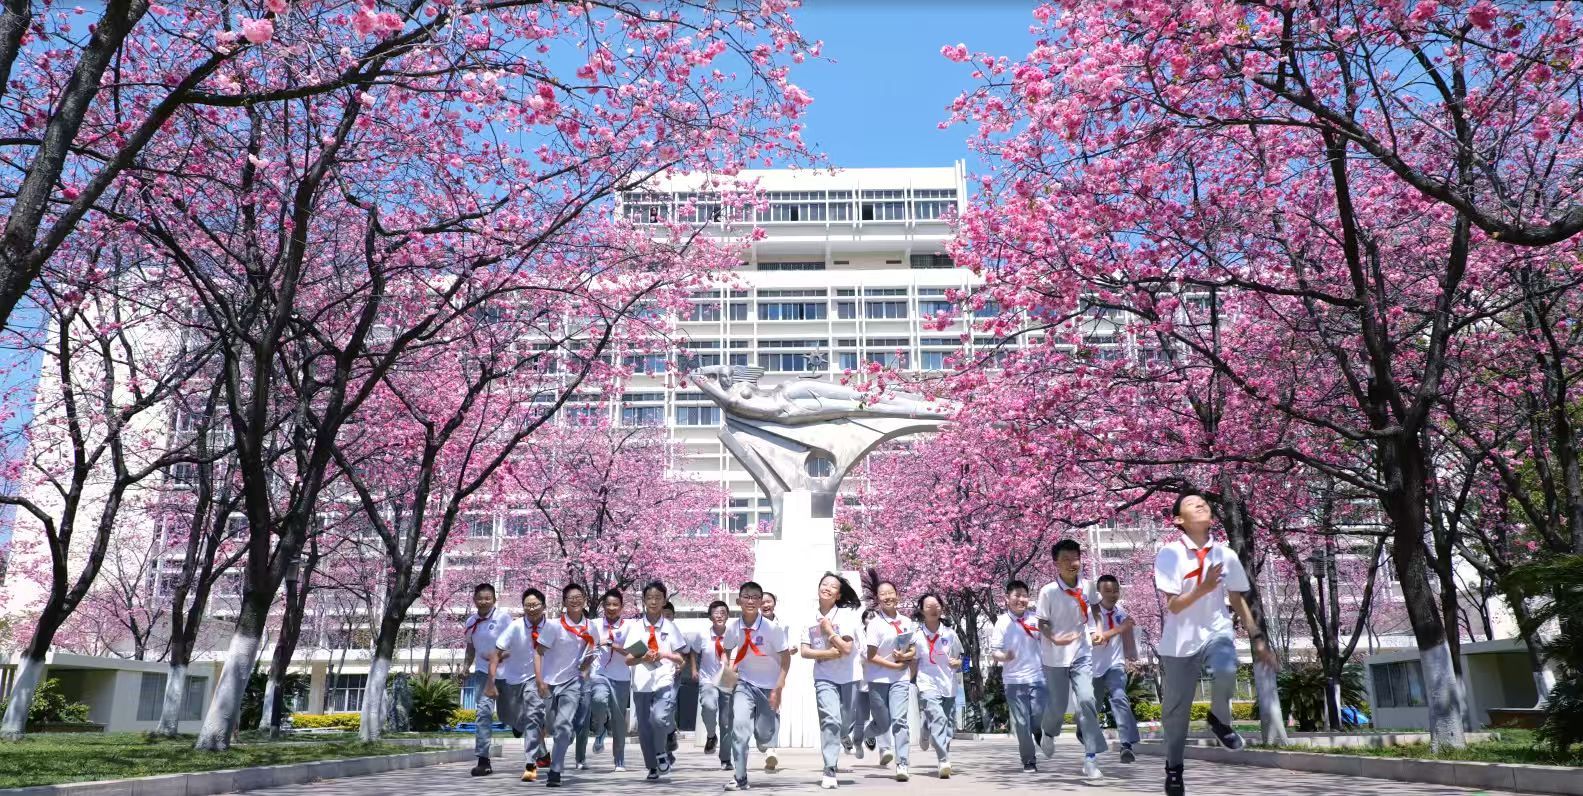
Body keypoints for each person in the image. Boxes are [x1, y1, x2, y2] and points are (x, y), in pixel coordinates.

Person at [1157, 493, 1279, 796]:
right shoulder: (1169, 554)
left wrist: (1258, 639)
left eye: (1204, 503)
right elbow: (1173, 606)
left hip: (1216, 630)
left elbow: (1237, 598)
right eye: (1192, 504)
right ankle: (1174, 768)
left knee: (1226, 667)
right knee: (1176, 715)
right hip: (1179, 643)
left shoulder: (1225, 554)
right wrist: (1205, 588)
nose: (1202, 505)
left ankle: (1219, 720)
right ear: (1178, 520)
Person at [1036, 538, 1108, 780]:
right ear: (1056, 563)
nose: (1071, 563)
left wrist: (1097, 629)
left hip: (1081, 653)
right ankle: (1048, 732)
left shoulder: (1088, 586)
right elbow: (1042, 622)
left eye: (1074, 558)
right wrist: (1054, 638)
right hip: (1054, 657)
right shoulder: (1048, 591)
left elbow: (1096, 609)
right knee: (1057, 706)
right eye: (1064, 559)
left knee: (1087, 700)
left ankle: (1090, 759)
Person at [720, 581, 793, 792]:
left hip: (769, 687)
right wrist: (727, 668)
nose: (750, 601)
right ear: (738, 600)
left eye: (755, 597)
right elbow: (726, 650)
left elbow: (786, 659)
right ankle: (740, 777)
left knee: (764, 735)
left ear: (761, 602)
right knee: (740, 729)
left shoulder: (772, 629)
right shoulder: (733, 627)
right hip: (744, 684)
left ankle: (766, 742)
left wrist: (779, 686)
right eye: (746, 596)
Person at [799, 571, 862, 790]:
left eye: (832, 586)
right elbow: (805, 652)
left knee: (844, 722)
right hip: (824, 677)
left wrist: (828, 631)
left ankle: (846, 735)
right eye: (823, 584)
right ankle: (830, 768)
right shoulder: (808, 618)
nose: (826, 587)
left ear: (838, 595)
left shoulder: (847, 616)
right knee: (830, 721)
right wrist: (828, 654)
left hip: (849, 676)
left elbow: (845, 649)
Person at [621, 581, 688, 782]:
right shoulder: (635, 628)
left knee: (659, 718)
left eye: (658, 598)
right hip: (641, 684)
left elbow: (680, 658)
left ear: (664, 600)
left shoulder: (670, 627)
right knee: (644, 727)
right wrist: (643, 658)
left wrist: (663, 655)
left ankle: (661, 752)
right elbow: (628, 659)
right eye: (649, 598)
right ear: (643, 601)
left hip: (664, 681)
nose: (653, 601)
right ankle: (652, 766)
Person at [531, 583, 595, 788]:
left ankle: (555, 770)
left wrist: (585, 667)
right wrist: (540, 681)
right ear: (564, 602)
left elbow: (590, 654)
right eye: (570, 598)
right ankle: (562, 738)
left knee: (563, 726)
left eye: (579, 597)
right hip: (549, 683)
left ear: (584, 599)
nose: (575, 601)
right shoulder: (553, 626)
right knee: (551, 726)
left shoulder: (590, 626)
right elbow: (538, 652)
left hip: (572, 682)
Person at [491, 588, 550, 782]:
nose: (531, 608)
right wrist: (491, 679)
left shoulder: (552, 627)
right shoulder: (515, 626)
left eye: (535, 605)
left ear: (544, 606)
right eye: (528, 605)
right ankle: (541, 751)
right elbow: (498, 650)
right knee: (508, 716)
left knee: (533, 717)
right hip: (513, 680)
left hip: (537, 679)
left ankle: (530, 764)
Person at [991, 579, 1046, 773]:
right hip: (1014, 681)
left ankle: (1039, 732)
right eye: (1016, 595)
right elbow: (994, 651)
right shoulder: (1002, 622)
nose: (1021, 599)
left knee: (1038, 717)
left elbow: (1050, 641)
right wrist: (1005, 656)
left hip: (1039, 678)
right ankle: (1029, 760)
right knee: (1022, 723)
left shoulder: (1036, 619)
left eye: (1024, 595)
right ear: (1007, 599)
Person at [863, 580, 916, 781]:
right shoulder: (875, 624)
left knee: (899, 720)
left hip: (900, 679)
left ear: (897, 595)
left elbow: (912, 648)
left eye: (891, 593)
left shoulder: (906, 622)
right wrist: (894, 665)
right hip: (878, 678)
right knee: (883, 723)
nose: (888, 597)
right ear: (878, 599)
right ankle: (869, 731)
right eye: (883, 594)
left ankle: (902, 763)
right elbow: (871, 656)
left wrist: (904, 657)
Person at [463, 583, 515, 777]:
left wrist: (500, 657)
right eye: (480, 598)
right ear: (474, 600)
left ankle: (521, 730)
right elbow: (470, 647)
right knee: (483, 713)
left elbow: (514, 643)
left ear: (494, 599)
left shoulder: (503, 618)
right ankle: (483, 760)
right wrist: (466, 666)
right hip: (484, 674)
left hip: (507, 673)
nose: (484, 602)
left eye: (488, 598)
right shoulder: (470, 622)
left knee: (507, 716)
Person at [1092, 573, 1140, 764]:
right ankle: (1083, 730)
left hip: (1114, 664)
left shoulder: (1121, 613)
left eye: (1115, 591)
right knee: (1090, 707)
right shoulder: (1091, 613)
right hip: (1092, 667)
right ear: (1098, 593)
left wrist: (1131, 658)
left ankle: (1126, 745)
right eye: (1107, 591)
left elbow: (1127, 635)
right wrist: (1121, 628)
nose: (1112, 595)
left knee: (1119, 697)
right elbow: (1096, 640)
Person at [912, 593, 960, 779]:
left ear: (942, 608)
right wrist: (909, 681)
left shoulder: (950, 633)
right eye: (928, 606)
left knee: (947, 724)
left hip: (948, 683)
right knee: (939, 718)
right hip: (927, 683)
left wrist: (957, 663)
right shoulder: (916, 636)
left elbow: (960, 658)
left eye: (937, 605)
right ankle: (943, 759)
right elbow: (912, 660)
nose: (933, 609)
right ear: (921, 610)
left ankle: (926, 726)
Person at [585, 588, 631, 771]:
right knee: (598, 700)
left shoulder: (630, 626)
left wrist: (613, 645)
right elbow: (586, 647)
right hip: (599, 674)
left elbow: (635, 652)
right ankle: (600, 728)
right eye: (608, 604)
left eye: (615, 605)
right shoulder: (593, 624)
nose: (611, 608)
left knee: (619, 721)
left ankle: (619, 759)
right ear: (603, 606)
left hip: (621, 677)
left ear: (621, 607)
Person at [694, 600, 735, 770]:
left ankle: (725, 759)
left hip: (726, 678)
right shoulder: (702, 635)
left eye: (723, 612)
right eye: (716, 612)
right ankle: (711, 735)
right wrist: (694, 669)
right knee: (708, 706)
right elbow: (694, 653)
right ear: (710, 616)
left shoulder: (733, 634)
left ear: (727, 616)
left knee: (726, 721)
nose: (719, 615)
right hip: (707, 679)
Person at [760, 591, 783, 770]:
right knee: (757, 713)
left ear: (775, 603)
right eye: (763, 602)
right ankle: (763, 742)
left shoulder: (783, 625)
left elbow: (788, 645)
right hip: (752, 676)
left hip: (774, 675)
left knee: (773, 709)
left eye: (769, 601)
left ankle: (771, 749)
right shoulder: (751, 624)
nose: (766, 605)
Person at [664, 600, 686, 761]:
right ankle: (664, 751)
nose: (665, 618)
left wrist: (681, 665)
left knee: (668, 707)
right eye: (663, 615)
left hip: (672, 677)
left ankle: (670, 737)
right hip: (652, 677)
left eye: (669, 615)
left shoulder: (676, 632)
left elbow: (683, 654)